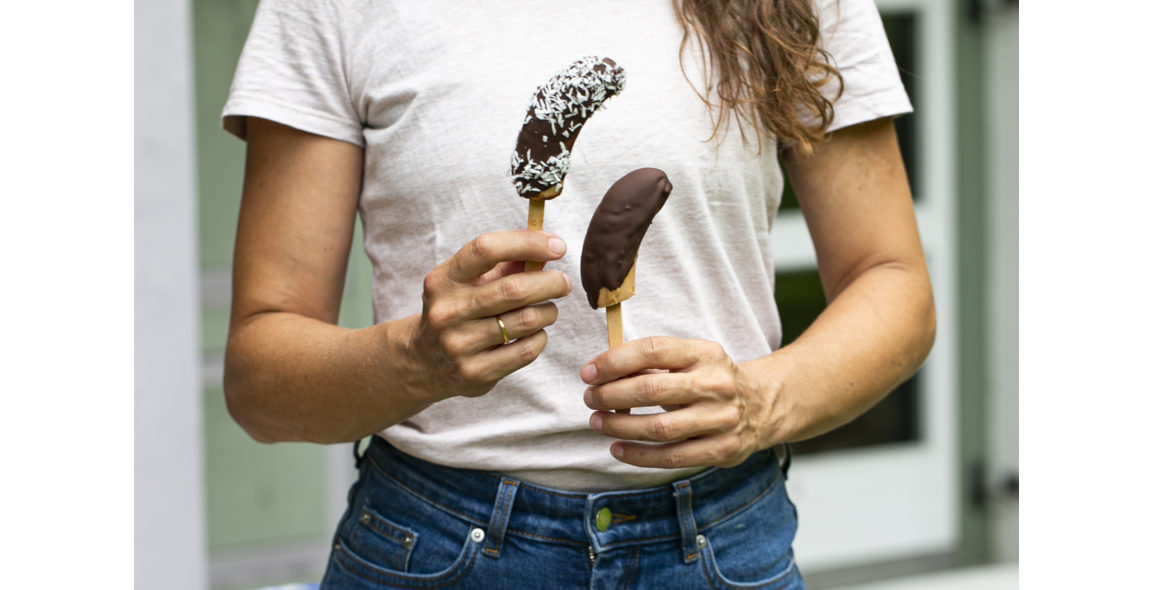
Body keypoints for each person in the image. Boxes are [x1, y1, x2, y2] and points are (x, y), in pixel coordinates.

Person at [221, 0, 935, 587]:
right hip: (438, 543)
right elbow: (260, 380)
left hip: (719, 543)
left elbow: (893, 283)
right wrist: (413, 358)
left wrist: (762, 399)